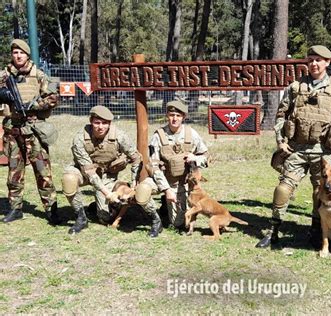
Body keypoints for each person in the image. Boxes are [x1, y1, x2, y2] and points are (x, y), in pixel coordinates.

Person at [256, 45, 331, 248]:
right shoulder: (295, 87)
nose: (314, 63)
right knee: (283, 188)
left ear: (327, 62)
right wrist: (281, 141)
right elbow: (281, 115)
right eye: (310, 59)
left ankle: (316, 231)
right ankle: (273, 230)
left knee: (320, 191)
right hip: (297, 149)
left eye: (319, 60)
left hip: (324, 151)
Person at [62, 106, 163, 237]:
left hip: (107, 175)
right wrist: (106, 193)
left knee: (105, 218)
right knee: (69, 179)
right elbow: (90, 172)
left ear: (109, 124)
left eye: (104, 123)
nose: (100, 127)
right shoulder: (80, 138)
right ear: (91, 121)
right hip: (83, 172)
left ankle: (106, 206)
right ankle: (81, 217)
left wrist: (134, 181)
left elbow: (136, 157)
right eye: (97, 123)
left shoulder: (119, 136)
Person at [0, 39, 59, 224]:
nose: (18, 56)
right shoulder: (3, 75)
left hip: (34, 129)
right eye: (15, 53)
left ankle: (51, 209)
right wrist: (3, 95)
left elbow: (52, 98)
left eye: (21, 53)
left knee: (43, 171)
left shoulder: (39, 75)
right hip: (13, 130)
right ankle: (15, 208)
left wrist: (34, 105)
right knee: (14, 172)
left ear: (27, 55)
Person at [140, 100, 208, 230]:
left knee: (179, 224)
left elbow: (206, 157)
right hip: (163, 180)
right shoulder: (158, 135)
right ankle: (156, 220)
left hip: (183, 184)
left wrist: (196, 158)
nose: (174, 119)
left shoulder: (191, 133)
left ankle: (167, 208)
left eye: (178, 115)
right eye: (171, 115)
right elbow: (152, 165)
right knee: (142, 191)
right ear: (167, 115)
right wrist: (166, 190)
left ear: (184, 117)